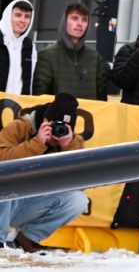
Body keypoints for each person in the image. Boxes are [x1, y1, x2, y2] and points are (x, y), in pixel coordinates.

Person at [0, 93, 89, 253]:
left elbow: (81, 181)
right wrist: (37, 143)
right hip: (6, 201)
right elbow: (2, 160)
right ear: (45, 121)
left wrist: (68, 147)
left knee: (78, 200)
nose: (58, 132)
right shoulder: (20, 127)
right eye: (55, 125)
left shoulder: (73, 142)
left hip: (30, 204)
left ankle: (26, 238)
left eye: (64, 128)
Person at [32, 3, 107, 101]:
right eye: (75, 18)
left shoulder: (95, 58)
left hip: (89, 115)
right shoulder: (47, 55)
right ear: (65, 21)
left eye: (84, 19)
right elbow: (40, 97)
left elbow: (102, 100)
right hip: (56, 115)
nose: (80, 23)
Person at [0, 0, 37, 95]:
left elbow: (31, 81)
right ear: (8, 16)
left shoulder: (30, 46)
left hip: (18, 106)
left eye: (27, 16)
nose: (22, 20)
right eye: (18, 15)